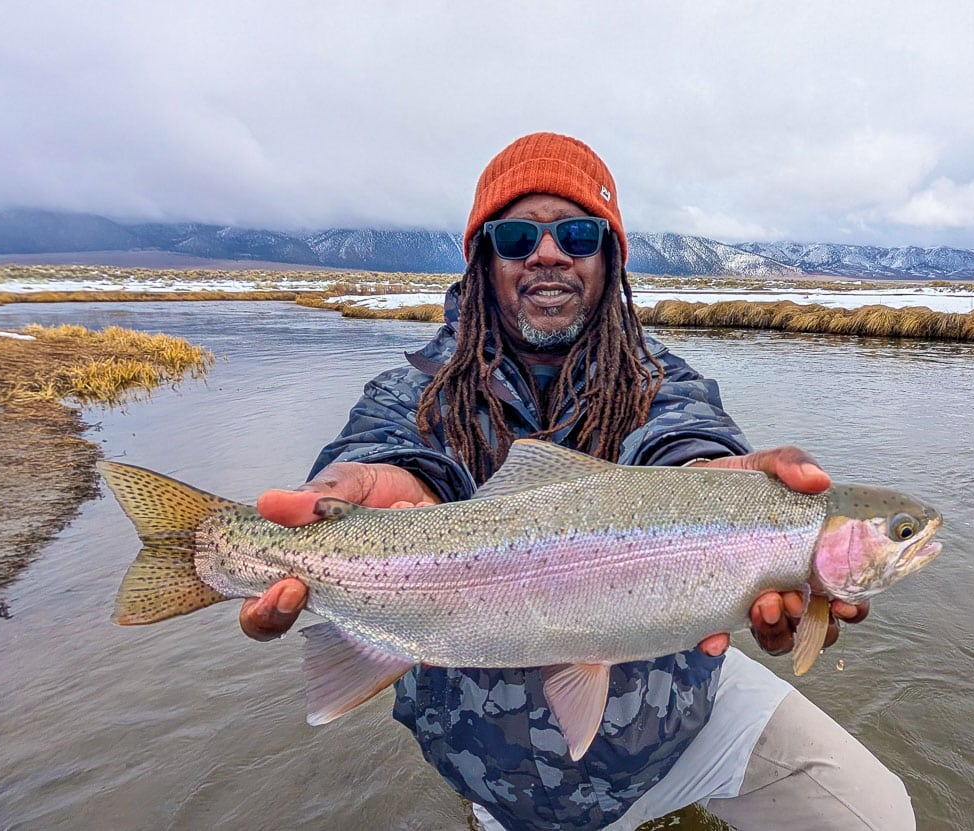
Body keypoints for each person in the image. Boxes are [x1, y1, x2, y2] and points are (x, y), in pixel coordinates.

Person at [240, 132, 915, 830]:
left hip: (677, 725)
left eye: (577, 232)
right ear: (482, 258)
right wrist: (386, 486)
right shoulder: (408, 394)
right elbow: (398, 457)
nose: (549, 252)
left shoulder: (663, 383)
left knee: (877, 812)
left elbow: (686, 441)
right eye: (516, 236)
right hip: (495, 769)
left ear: (608, 256)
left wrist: (708, 485)